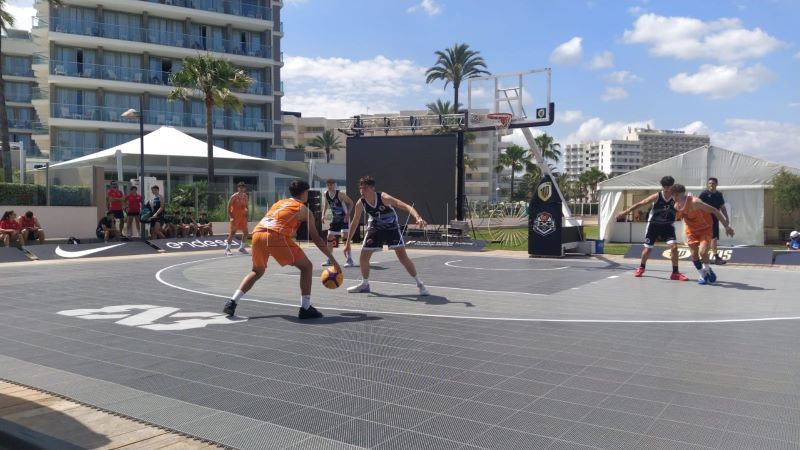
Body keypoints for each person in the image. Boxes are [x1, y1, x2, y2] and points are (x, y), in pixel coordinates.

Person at [223, 180, 341, 319]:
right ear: (304, 193)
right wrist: (334, 261)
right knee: (307, 267)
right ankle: (305, 308)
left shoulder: (279, 203)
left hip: (257, 234)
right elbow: (316, 238)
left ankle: (232, 302)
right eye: (307, 192)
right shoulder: (304, 209)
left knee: (257, 271)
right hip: (275, 236)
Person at [343, 176, 430, 296]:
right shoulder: (360, 203)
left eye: (365, 188)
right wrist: (347, 243)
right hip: (376, 228)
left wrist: (418, 217)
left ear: (373, 188)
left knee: (402, 257)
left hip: (391, 227)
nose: (362, 191)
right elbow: (354, 222)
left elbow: (405, 206)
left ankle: (420, 284)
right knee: (363, 257)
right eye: (361, 188)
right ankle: (365, 284)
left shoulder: (384, 198)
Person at [616, 175, 688, 281]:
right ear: (662, 186)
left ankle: (675, 273)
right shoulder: (657, 196)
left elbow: (687, 205)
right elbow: (641, 203)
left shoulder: (676, 197)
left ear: (672, 186)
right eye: (665, 186)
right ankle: (641, 267)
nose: (667, 188)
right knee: (648, 249)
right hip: (654, 224)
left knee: (674, 247)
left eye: (669, 186)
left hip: (668, 225)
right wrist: (625, 212)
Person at [670, 184, 735, 284]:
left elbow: (714, 210)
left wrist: (726, 226)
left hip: (705, 228)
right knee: (694, 254)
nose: (671, 197)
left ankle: (708, 270)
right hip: (691, 231)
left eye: (672, 195)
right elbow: (680, 216)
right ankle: (702, 274)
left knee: (702, 252)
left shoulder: (695, 202)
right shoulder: (676, 206)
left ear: (678, 194)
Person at [321, 178, 355, 267]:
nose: (330, 186)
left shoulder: (340, 194)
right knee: (329, 236)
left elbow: (351, 203)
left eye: (331, 185)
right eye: (328, 185)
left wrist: (348, 214)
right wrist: (323, 215)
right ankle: (329, 259)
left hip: (344, 218)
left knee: (344, 236)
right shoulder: (326, 194)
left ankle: (349, 259)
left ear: (334, 185)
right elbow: (326, 204)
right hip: (335, 218)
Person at [698, 177, 729, 265]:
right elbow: (698, 205)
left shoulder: (719, 194)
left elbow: (722, 207)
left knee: (714, 238)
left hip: (715, 219)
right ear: (708, 185)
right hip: (704, 219)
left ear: (716, 184)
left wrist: (726, 217)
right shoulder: (704, 194)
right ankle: (703, 257)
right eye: (710, 183)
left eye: (713, 183)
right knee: (705, 239)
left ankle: (716, 258)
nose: (711, 185)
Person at [226, 181, 250, 256]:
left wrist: (247, 214)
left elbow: (246, 206)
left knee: (246, 232)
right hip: (235, 217)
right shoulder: (234, 196)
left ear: (245, 188)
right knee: (233, 233)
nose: (242, 189)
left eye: (243, 188)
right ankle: (227, 249)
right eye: (240, 188)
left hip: (243, 217)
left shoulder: (246, 196)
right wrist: (230, 216)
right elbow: (228, 206)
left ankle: (241, 247)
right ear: (238, 188)